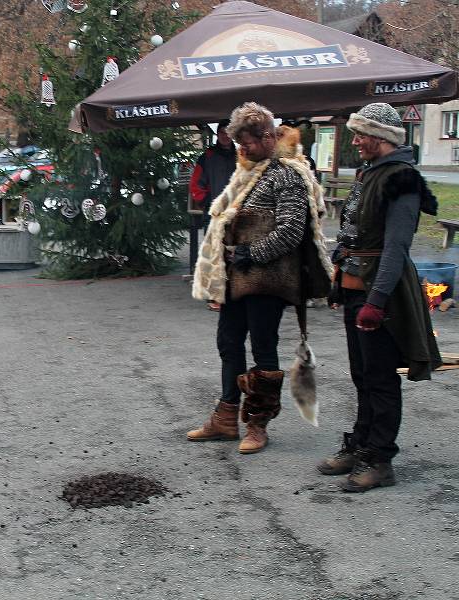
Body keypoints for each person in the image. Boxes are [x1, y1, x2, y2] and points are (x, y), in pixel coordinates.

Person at [188, 102, 332, 454]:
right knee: (228, 343)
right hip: (238, 279)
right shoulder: (248, 172)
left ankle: (257, 423)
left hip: (268, 281)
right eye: (238, 143)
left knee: (263, 348)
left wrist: (251, 253)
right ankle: (225, 418)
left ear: (268, 136)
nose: (242, 149)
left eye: (248, 142)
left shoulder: (287, 174)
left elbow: (291, 232)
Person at [318, 102, 440, 492]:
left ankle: (380, 459)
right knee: (362, 375)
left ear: (382, 137)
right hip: (357, 286)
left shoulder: (402, 179)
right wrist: (341, 284)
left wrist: (376, 300)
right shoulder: (369, 174)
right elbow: (354, 235)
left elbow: (395, 247)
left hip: (381, 292)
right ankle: (361, 445)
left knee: (381, 378)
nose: (355, 141)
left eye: (361, 134)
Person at [190, 119, 238, 311]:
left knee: (235, 252)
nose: (225, 136)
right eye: (222, 133)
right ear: (217, 134)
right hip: (215, 213)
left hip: (236, 212)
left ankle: (234, 291)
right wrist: (207, 201)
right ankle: (214, 294)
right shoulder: (207, 156)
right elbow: (195, 185)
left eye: (228, 133)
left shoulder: (241, 156)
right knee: (214, 253)